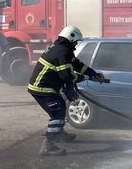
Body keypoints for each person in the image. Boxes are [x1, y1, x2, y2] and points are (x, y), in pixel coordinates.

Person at [28, 25, 105, 156]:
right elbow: (67, 76)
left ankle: (58, 133)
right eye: (75, 42)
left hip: (47, 87)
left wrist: (93, 74)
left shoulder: (64, 50)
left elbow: (77, 65)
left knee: (61, 107)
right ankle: (48, 145)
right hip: (42, 88)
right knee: (57, 113)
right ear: (70, 39)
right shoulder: (61, 52)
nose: (76, 44)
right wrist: (82, 78)